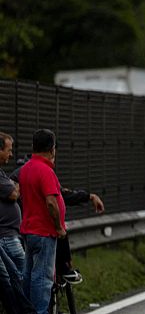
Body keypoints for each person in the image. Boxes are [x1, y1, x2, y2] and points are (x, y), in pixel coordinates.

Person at [19, 129, 65, 314]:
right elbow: (51, 202)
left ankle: (28, 310)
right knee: (42, 277)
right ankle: (39, 312)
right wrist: (58, 227)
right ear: (52, 149)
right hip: (44, 232)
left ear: (33, 146)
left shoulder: (26, 168)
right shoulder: (45, 171)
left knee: (28, 275)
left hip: (29, 230)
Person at [0, 132, 35, 314]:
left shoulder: (2, 173)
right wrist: (18, 184)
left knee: (15, 276)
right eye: (8, 150)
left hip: (11, 234)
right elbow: (14, 193)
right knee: (20, 277)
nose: (11, 155)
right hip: (6, 236)